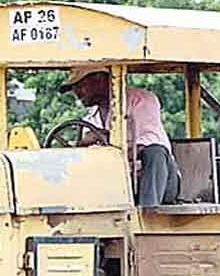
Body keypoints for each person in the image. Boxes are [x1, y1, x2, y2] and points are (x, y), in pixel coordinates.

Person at [59, 68, 177, 206]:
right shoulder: (90, 119)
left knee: (155, 151)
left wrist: (108, 140)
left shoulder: (140, 100)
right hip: (117, 185)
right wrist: (82, 147)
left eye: (80, 86)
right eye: (74, 88)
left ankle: (147, 211)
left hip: (159, 183)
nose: (76, 93)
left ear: (99, 79)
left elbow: (151, 140)